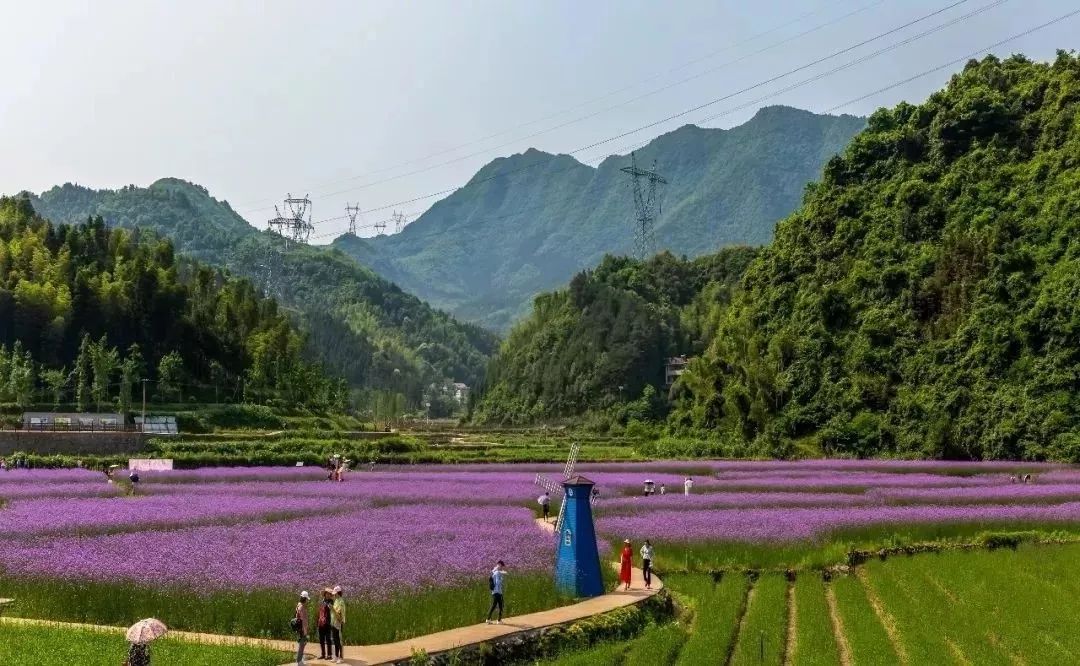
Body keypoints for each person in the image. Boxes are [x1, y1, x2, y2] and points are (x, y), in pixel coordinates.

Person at [316, 588, 334, 660]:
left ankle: (329, 655)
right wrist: (318, 620)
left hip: (328, 623)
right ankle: (323, 654)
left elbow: (332, 611)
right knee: (321, 639)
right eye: (327, 593)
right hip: (321, 623)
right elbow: (320, 612)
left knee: (328, 639)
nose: (328, 595)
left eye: (329, 594)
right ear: (325, 594)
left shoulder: (331, 602)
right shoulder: (322, 601)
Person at [294, 590, 310, 665]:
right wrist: (305, 632)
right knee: (302, 644)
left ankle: (300, 659)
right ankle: (299, 661)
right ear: (305, 599)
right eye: (307, 599)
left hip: (299, 629)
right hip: (302, 629)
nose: (307, 601)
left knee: (302, 644)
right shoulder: (302, 607)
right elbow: (303, 621)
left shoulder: (298, 605)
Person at [331, 586, 346, 664]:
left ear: (338, 593)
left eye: (335, 593)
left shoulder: (341, 602)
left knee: (339, 640)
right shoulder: (336, 600)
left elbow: (339, 614)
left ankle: (341, 657)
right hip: (334, 623)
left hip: (339, 623)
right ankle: (336, 656)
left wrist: (332, 609)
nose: (334, 595)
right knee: (335, 640)